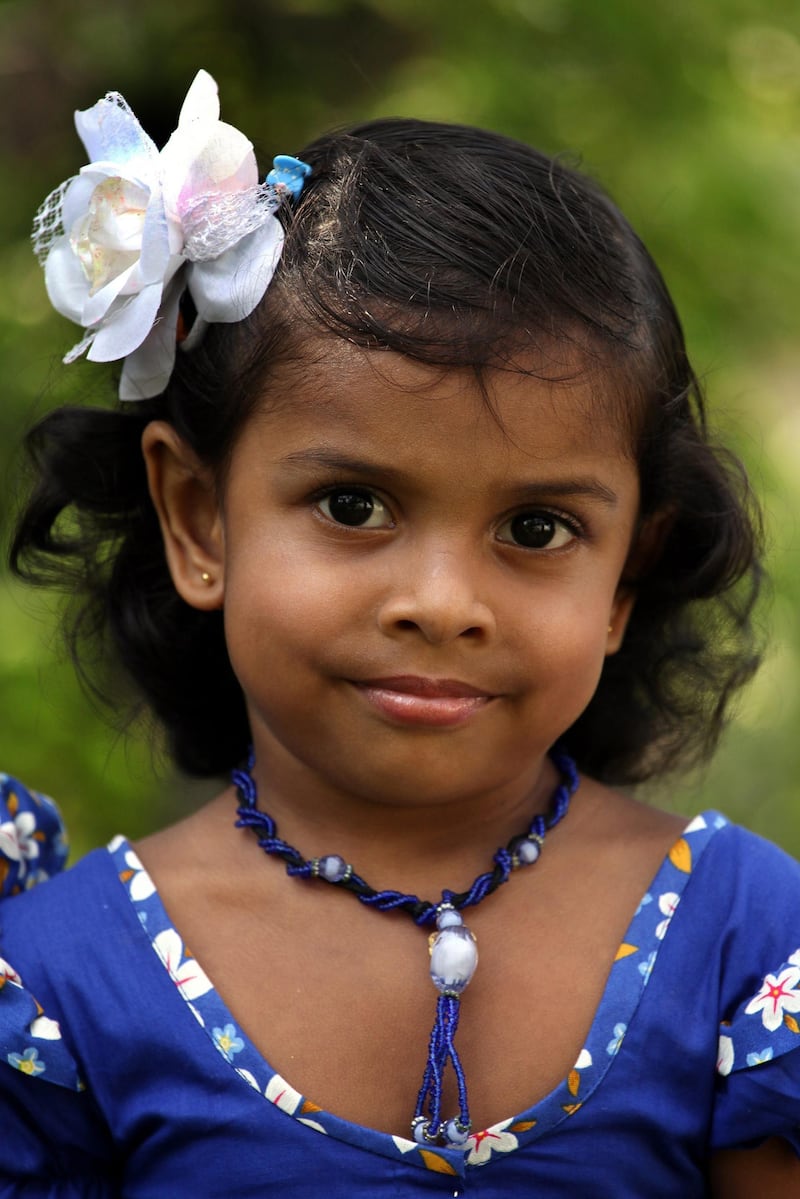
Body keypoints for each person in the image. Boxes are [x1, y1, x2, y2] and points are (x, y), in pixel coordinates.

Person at [1, 68, 798, 1197]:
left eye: (535, 526)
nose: (440, 599)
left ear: (627, 577)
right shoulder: (57, 982)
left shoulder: (748, 939)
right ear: (197, 518)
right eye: (351, 505)